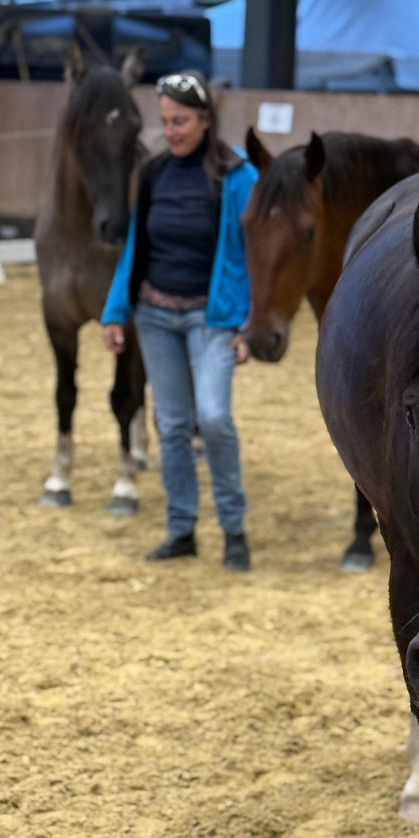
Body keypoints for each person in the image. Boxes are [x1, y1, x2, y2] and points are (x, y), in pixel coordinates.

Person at [101, 70, 258, 570]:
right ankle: (181, 529)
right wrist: (115, 310)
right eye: (165, 122)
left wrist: (249, 324)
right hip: (154, 315)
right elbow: (136, 245)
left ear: (206, 119)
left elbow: (258, 253)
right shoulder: (153, 172)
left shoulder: (238, 175)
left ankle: (233, 529)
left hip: (212, 319)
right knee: (170, 425)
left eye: (181, 121)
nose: (170, 131)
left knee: (213, 418)